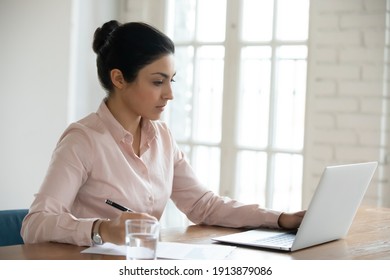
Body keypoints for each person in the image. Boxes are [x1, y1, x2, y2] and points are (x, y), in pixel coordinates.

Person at [21, 20, 305, 246]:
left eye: (171, 80)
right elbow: (35, 224)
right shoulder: (83, 140)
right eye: (158, 82)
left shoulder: (163, 137)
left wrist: (281, 219)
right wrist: (102, 229)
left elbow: (203, 206)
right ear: (119, 78)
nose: (169, 94)